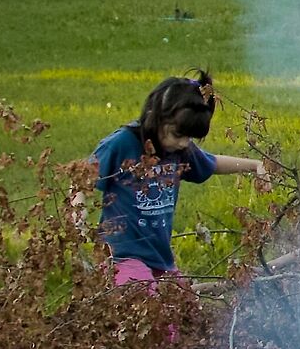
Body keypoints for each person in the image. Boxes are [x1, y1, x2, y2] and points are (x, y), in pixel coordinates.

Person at [92, 70, 271, 285]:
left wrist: (255, 165)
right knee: (147, 306)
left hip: (159, 259)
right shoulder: (122, 144)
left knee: (184, 308)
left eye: (189, 137)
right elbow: (81, 179)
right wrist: (78, 222)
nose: (184, 143)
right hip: (122, 256)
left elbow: (212, 163)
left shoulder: (176, 149)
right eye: (179, 135)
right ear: (157, 117)